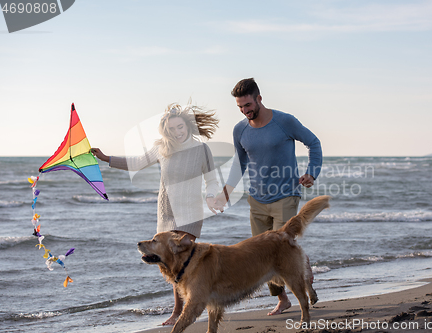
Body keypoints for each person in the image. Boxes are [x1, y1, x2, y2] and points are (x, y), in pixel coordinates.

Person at [91, 103, 220, 326]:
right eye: (172, 129)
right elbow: (137, 163)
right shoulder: (162, 147)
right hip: (167, 211)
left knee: (188, 260)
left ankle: (197, 303)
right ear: (166, 131)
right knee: (171, 263)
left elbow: (211, 179)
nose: (178, 132)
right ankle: (179, 310)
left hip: (190, 211)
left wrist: (210, 196)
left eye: (180, 127)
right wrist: (106, 158)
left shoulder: (201, 149)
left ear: (187, 125)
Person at [213, 78, 323, 316]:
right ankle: (283, 299)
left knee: (283, 247)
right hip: (257, 200)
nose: (245, 110)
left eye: (248, 105)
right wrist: (226, 193)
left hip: (286, 195)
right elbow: (239, 164)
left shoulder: (285, 121)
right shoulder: (240, 130)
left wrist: (311, 173)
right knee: (261, 255)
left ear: (259, 98)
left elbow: (314, 143)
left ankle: (303, 276)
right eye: (240, 107)